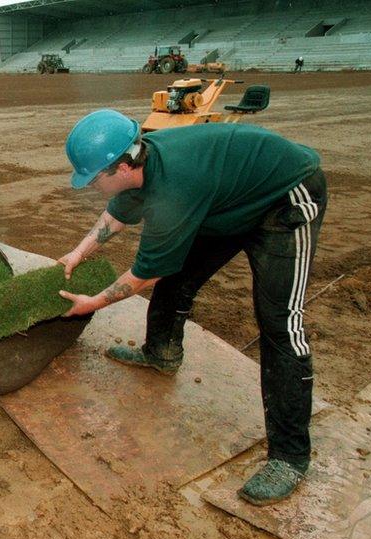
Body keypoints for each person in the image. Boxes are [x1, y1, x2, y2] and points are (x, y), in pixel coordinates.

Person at [57, 109, 326, 506]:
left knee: (280, 323)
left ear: (123, 166)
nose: (92, 185)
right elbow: (117, 215)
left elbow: (145, 274)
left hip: (285, 199)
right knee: (178, 275)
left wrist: (93, 303)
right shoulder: (140, 161)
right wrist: (76, 254)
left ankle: (290, 457)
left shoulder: (176, 187)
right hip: (225, 200)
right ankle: (161, 353)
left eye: (95, 178)